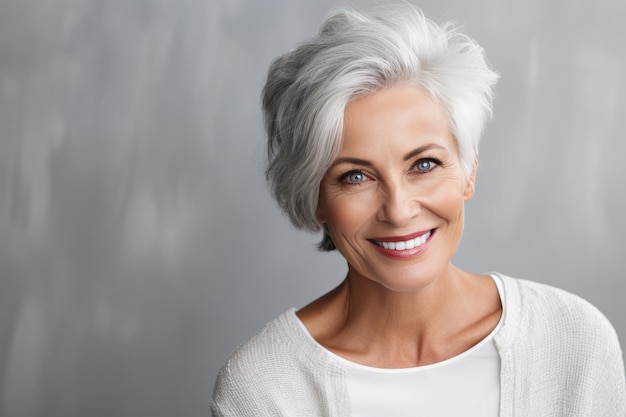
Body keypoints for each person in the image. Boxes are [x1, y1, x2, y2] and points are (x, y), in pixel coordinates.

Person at [211, 4, 626, 416]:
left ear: (468, 170)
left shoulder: (574, 342)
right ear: (315, 196)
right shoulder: (265, 389)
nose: (399, 209)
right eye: (356, 176)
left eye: (424, 165)